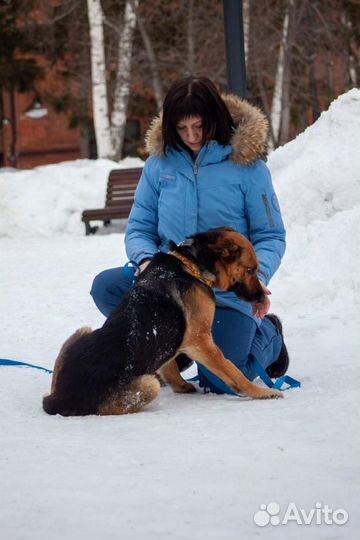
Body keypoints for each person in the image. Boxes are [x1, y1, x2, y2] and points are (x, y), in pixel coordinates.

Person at [90, 76, 289, 395]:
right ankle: (172, 346)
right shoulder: (159, 165)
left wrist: (258, 273)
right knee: (107, 286)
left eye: (199, 127)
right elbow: (140, 227)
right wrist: (144, 261)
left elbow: (271, 235)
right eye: (182, 129)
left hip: (224, 294)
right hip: (170, 281)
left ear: (216, 119)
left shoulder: (248, 167)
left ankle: (269, 336)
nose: (192, 137)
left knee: (222, 383)